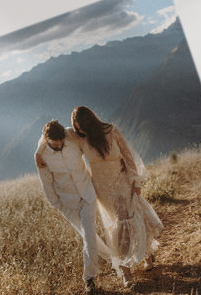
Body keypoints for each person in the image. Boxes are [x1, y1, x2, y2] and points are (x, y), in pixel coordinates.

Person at [70, 105, 164, 288]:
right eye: (76, 127)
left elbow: (128, 156)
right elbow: (61, 138)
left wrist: (136, 182)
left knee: (127, 221)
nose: (79, 130)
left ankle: (136, 263)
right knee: (115, 227)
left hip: (122, 183)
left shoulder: (111, 131)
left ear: (89, 121)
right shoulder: (80, 139)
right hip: (102, 190)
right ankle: (126, 269)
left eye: (81, 126)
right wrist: (40, 153)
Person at [35, 120, 105, 295]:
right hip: (67, 203)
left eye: (61, 142)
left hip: (87, 194)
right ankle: (110, 260)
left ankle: (89, 279)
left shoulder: (69, 136)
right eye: (54, 144)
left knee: (89, 237)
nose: (59, 145)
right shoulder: (42, 155)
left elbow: (86, 134)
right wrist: (57, 205)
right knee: (88, 237)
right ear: (46, 139)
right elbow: (46, 183)